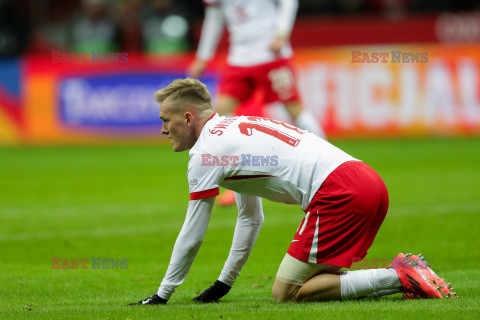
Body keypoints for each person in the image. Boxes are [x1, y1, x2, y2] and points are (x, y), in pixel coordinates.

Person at [129, 78, 455, 305]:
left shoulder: (206, 153)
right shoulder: (233, 130)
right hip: (366, 179)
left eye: (165, 120)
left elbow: (193, 233)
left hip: (339, 193)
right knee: (318, 284)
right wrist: (223, 283)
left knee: (286, 293)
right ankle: (405, 278)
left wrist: (163, 293)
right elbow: (250, 218)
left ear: (187, 118)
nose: (162, 129)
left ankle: (400, 275)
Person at [188, 0, 325, 205]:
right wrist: (203, 56)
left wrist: (282, 33)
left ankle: (327, 165)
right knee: (221, 113)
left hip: (271, 54)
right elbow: (214, 17)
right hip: (239, 58)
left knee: (294, 108)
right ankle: (237, 180)